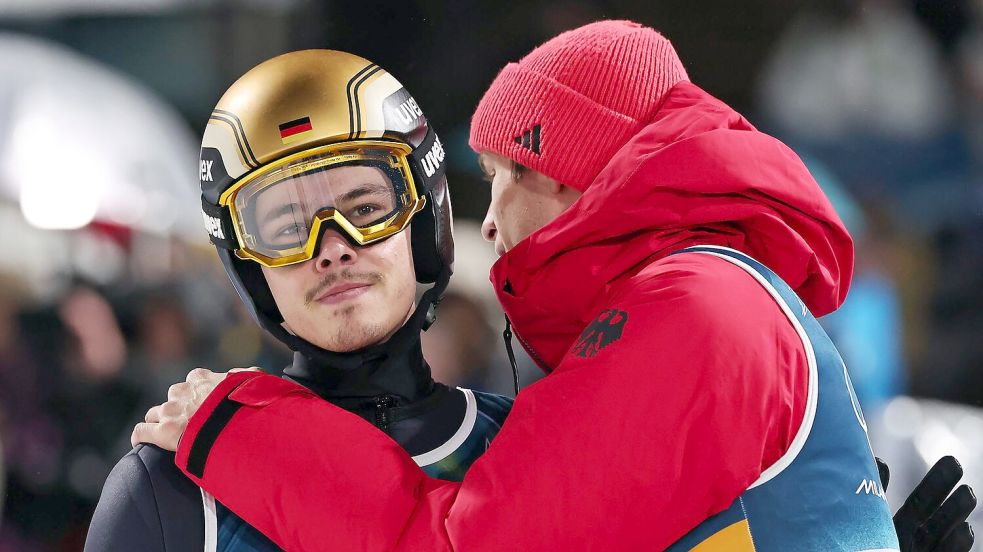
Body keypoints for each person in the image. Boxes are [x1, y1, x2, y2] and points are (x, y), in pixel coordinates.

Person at [135, 22, 976, 551]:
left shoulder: (694, 309)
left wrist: (241, 433)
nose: (491, 224)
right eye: (285, 226)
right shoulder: (698, 300)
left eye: (502, 175)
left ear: (568, 170)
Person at [84, 49, 512, 551]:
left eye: (367, 208)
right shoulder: (167, 490)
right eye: (288, 228)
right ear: (251, 268)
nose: (332, 249)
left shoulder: (524, 443)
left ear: (422, 222)